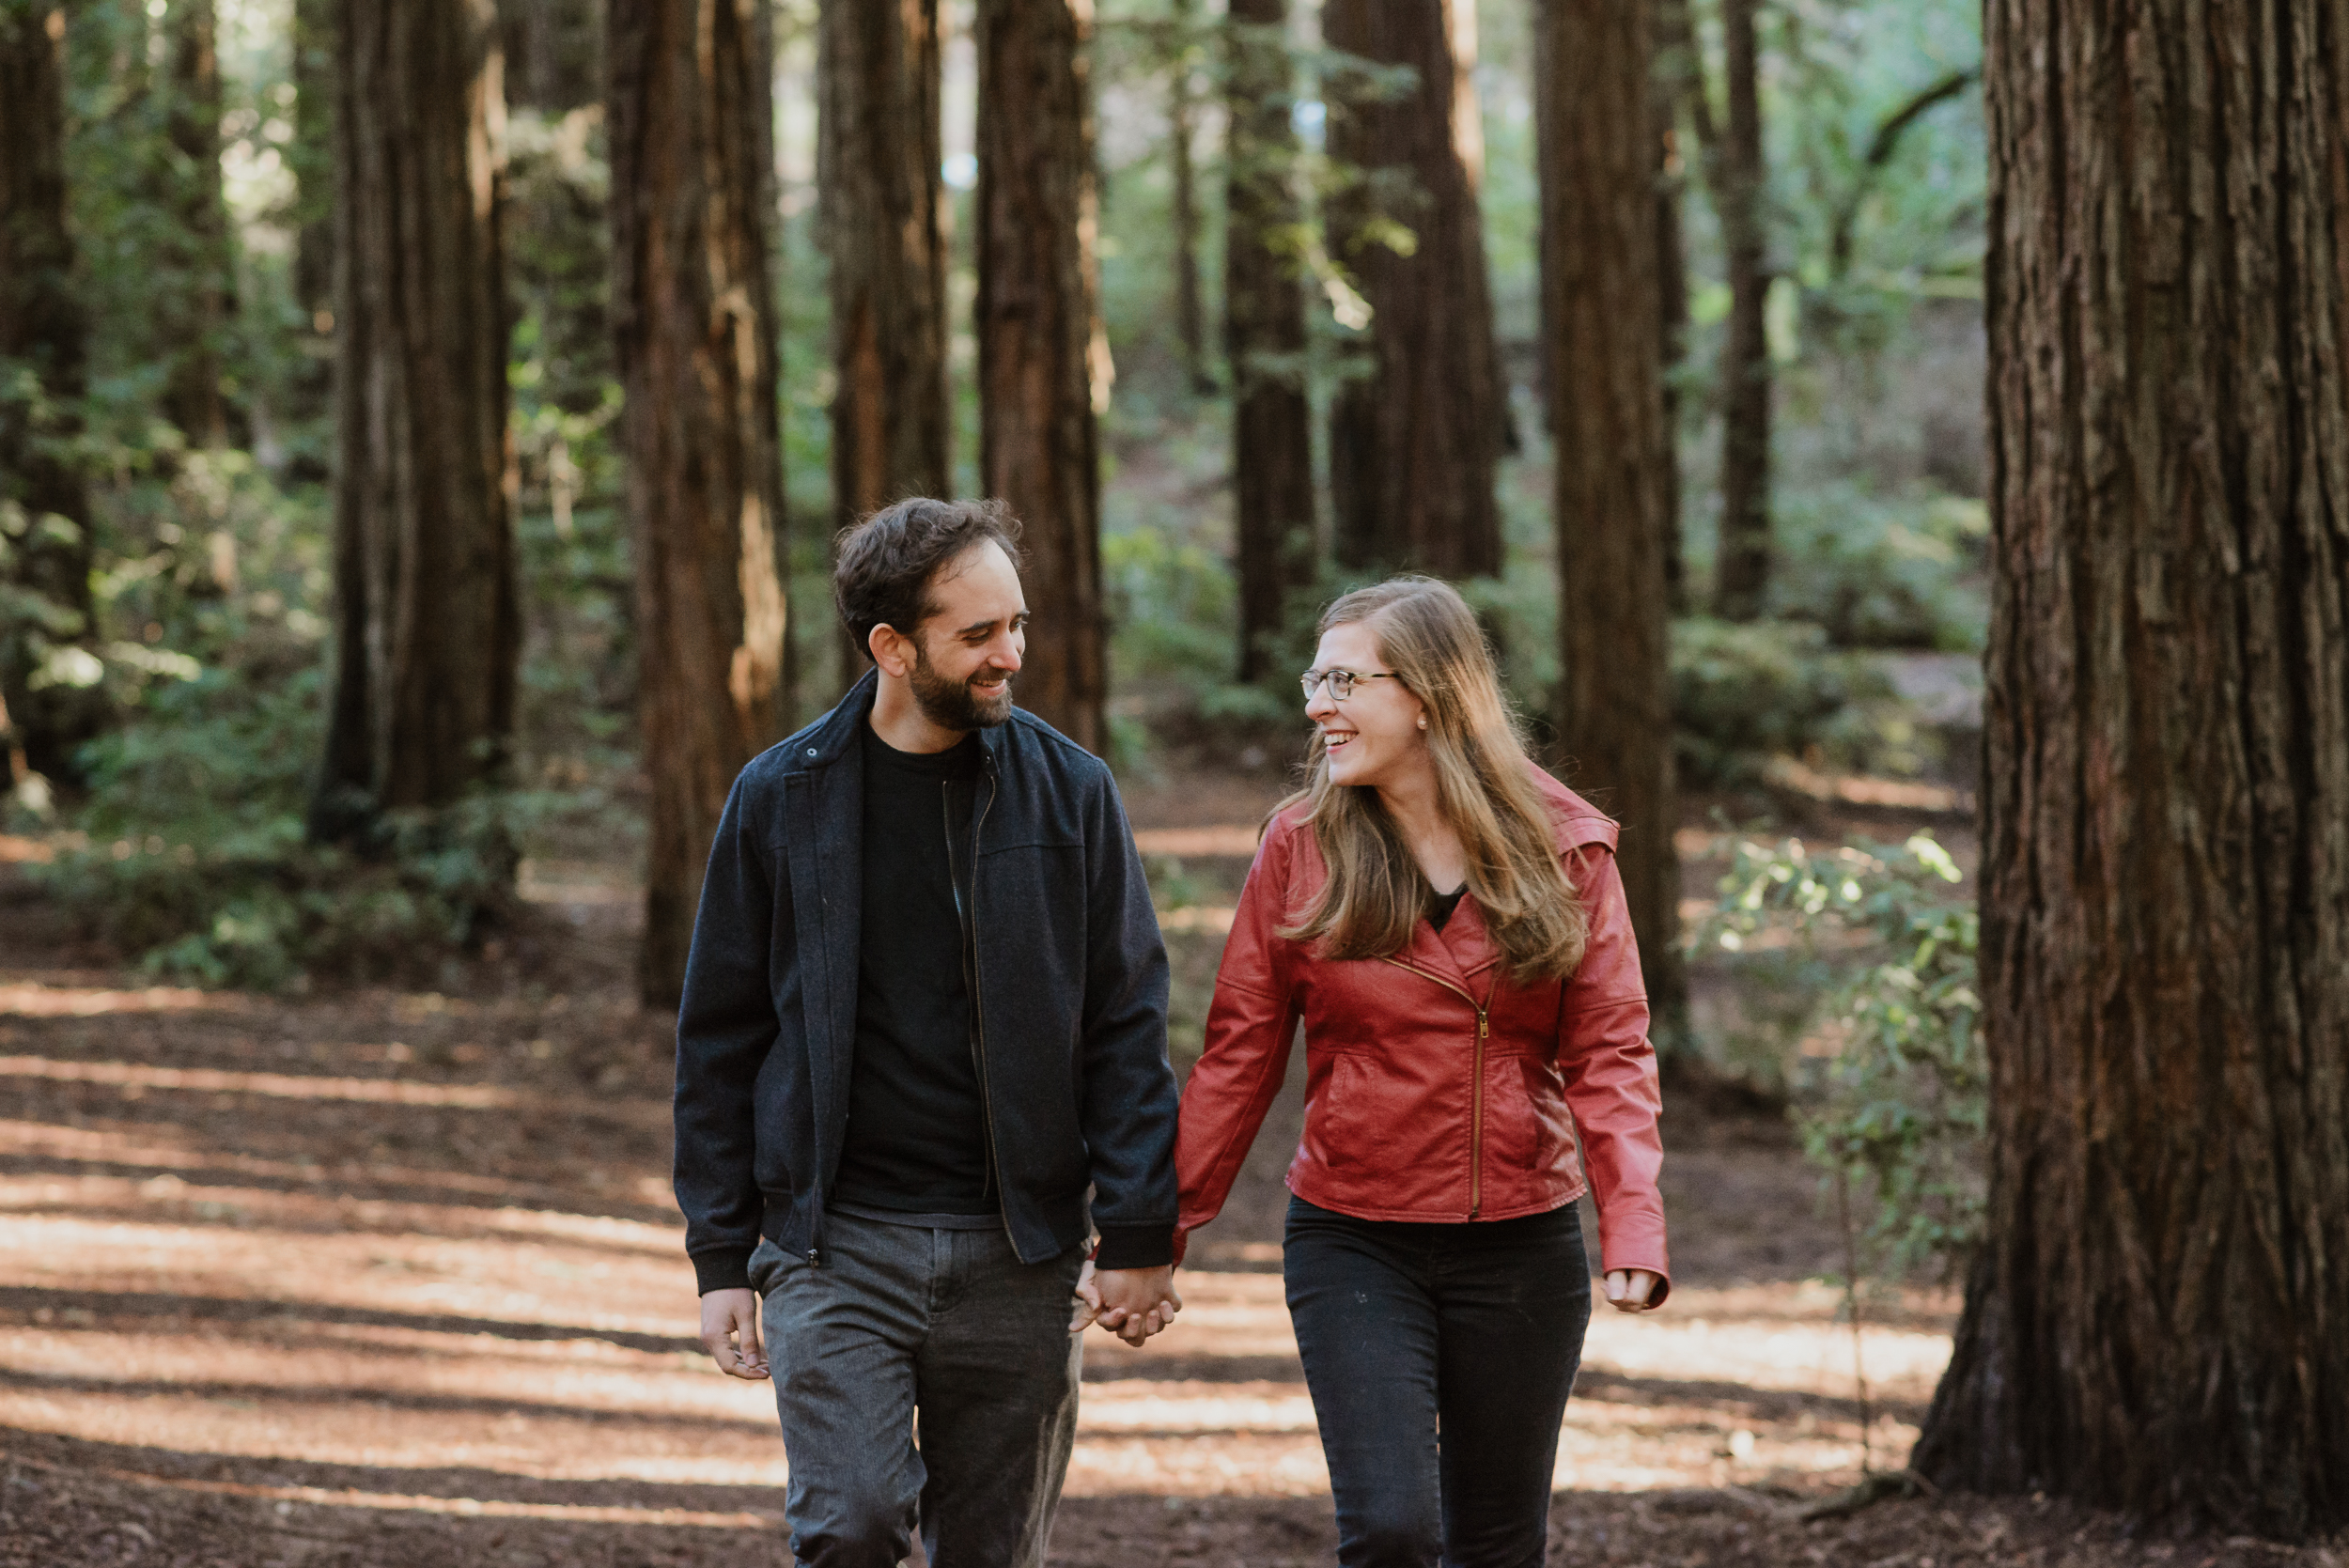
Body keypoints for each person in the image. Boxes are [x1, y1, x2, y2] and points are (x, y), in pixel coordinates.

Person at [674, 497, 1182, 1568]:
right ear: (892, 648)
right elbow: (718, 1038)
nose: (1012, 654)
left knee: (991, 1553)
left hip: (1021, 1252)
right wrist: (721, 1254)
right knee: (850, 1525)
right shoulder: (780, 798)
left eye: (1019, 624)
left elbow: (1126, 1022)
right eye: (979, 635)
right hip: (834, 1245)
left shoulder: (1073, 794)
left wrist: (1138, 1230)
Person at [1173, 576, 1669, 1568]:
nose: (1318, 703)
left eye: (1344, 680)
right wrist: (1160, 1223)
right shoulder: (1301, 846)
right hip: (1355, 1237)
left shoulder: (1565, 845)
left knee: (1495, 1541)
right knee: (1392, 1529)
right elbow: (1239, 1050)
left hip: (1521, 1242)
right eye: (1316, 678)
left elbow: (1610, 1046)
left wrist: (1634, 1216)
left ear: (1430, 698)